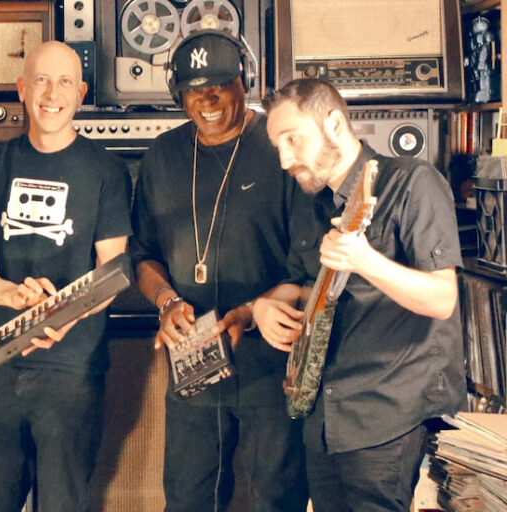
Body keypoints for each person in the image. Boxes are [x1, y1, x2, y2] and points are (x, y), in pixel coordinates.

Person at [258, 77, 466, 511]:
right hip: (324, 415)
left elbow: (442, 298)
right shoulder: (308, 202)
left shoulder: (411, 183)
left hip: (387, 412)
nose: (284, 159)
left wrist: (364, 259)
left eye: (293, 139)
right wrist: (267, 305)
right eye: (278, 144)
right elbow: (301, 285)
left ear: (334, 123)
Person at [130, 31, 308, 511]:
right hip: (194, 355)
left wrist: (251, 311)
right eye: (192, 88)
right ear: (177, 95)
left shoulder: (279, 148)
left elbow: (309, 267)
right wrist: (167, 302)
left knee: (275, 496)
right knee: (189, 497)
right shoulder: (162, 157)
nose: (206, 99)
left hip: (272, 359)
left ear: (244, 83)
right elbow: (142, 255)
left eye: (219, 85)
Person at [0, 41, 131, 512]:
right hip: (5, 367)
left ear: (81, 94)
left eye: (65, 82)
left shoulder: (107, 172)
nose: (52, 93)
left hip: (73, 371)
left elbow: (113, 270)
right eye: (41, 79)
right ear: (21, 88)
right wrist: (9, 293)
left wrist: (61, 318)